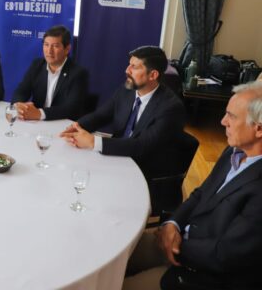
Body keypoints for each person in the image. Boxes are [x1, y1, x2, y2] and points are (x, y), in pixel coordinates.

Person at [123, 81, 262, 290]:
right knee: (111, 251)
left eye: (231, 116)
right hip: (181, 240)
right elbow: (200, 194)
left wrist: (174, 244)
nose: (223, 121)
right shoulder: (232, 152)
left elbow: (225, 255)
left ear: (258, 129)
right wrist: (172, 224)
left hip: (203, 274)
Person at [61, 46, 186, 179]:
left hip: (144, 171)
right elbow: (101, 115)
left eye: (134, 67)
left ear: (153, 75)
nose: (127, 70)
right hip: (116, 157)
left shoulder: (171, 108)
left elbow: (141, 146)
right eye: (129, 64)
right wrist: (77, 127)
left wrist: (93, 141)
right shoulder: (127, 90)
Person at [11, 25, 88, 121]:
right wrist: (18, 105)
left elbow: (71, 108)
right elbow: (21, 91)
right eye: (46, 45)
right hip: (35, 122)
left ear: (67, 49)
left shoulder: (78, 73)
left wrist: (40, 114)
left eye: (55, 46)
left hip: (61, 123)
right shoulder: (37, 65)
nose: (49, 51)